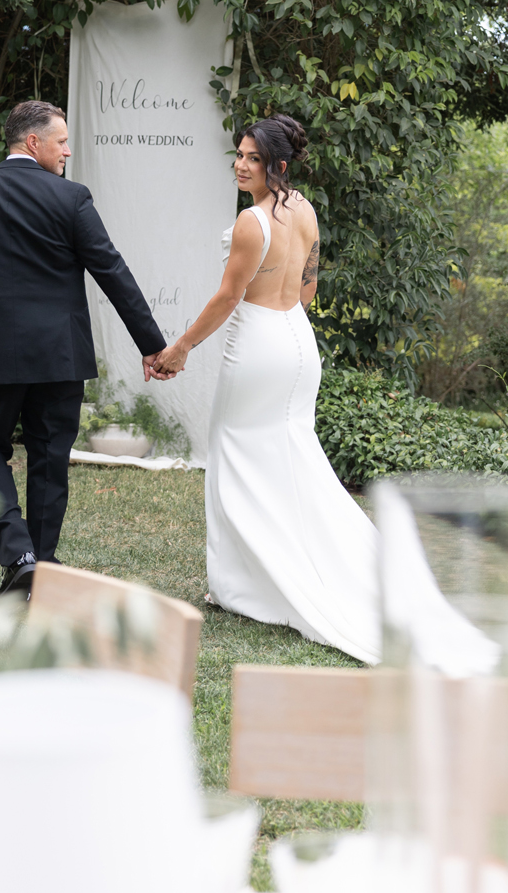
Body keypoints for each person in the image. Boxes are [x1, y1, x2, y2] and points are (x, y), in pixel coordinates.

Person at [153, 114, 380, 663]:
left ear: (277, 164)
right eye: (238, 154)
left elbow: (228, 298)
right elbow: (307, 289)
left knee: (234, 457)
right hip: (298, 342)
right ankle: (312, 567)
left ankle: (239, 586)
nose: (240, 165)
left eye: (252, 158)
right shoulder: (305, 209)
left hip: (257, 344)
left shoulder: (252, 222)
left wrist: (181, 347)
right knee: (292, 458)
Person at [0, 100, 169, 598]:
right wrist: (151, 344)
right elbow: (111, 270)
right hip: (60, 354)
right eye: (62, 142)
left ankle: (21, 557)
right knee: (50, 456)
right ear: (33, 142)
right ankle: (42, 565)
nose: (67, 151)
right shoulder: (71, 198)